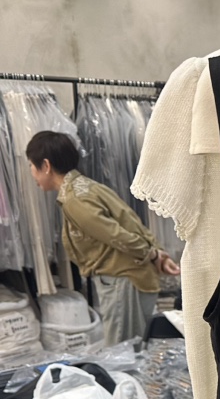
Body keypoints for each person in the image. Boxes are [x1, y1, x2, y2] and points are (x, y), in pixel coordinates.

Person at [26, 130, 180, 345]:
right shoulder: (88, 187)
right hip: (131, 276)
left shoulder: (75, 199)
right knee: (135, 347)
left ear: (46, 165)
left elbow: (116, 235)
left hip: (122, 279)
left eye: (31, 166)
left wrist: (154, 255)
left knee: (123, 350)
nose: (32, 173)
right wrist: (157, 253)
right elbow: (130, 220)